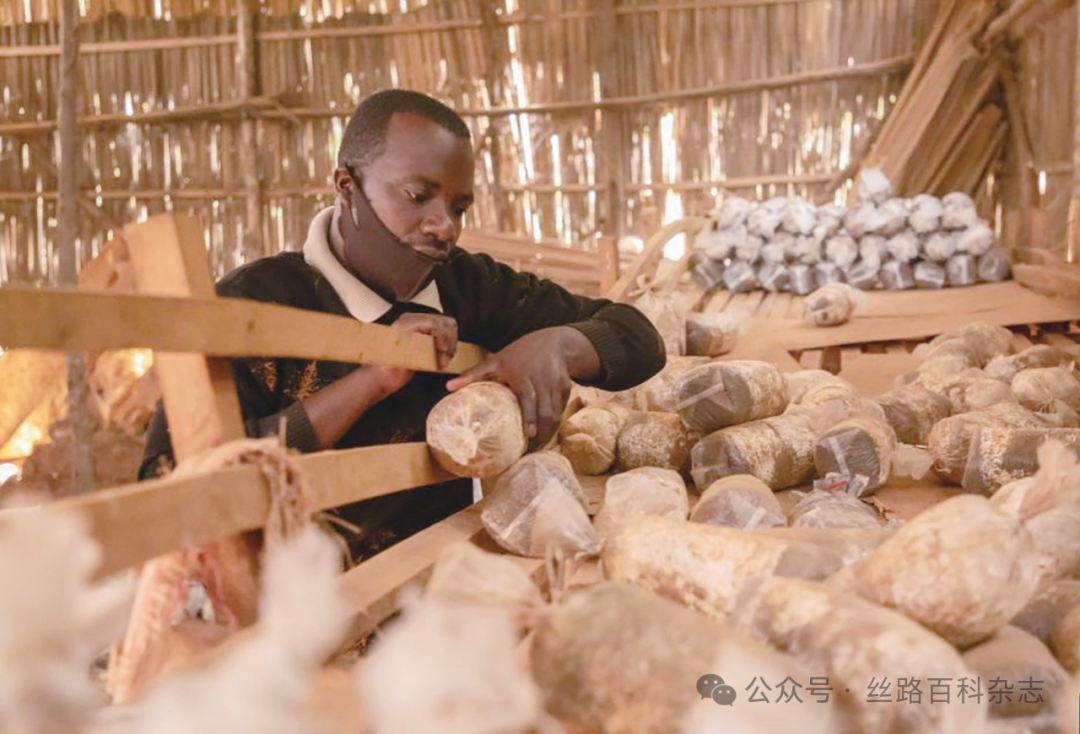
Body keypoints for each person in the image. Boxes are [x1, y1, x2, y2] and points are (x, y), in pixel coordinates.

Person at [140, 89, 665, 558]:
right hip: (293, 619)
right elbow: (166, 485)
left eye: (459, 207)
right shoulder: (253, 304)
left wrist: (560, 343)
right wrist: (371, 381)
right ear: (347, 186)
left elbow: (639, 338)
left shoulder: (466, 286)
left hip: (429, 595)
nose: (444, 227)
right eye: (418, 197)